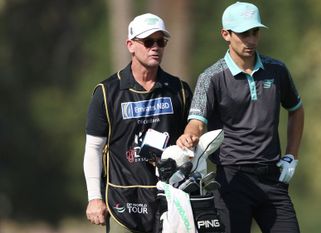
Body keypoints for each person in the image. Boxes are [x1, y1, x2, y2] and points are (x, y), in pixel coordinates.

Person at [176, 2, 304, 233]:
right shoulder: (212, 77)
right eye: (244, 34)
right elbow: (196, 123)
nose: (251, 40)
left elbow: (296, 108)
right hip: (232, 181)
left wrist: (291, 156)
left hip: (272, 179)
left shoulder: (277, 70)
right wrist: (189, 136)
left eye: (255, 32)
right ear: (226, 34)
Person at [83, 13, 192, 233]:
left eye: (160, 41)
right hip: (122, 201)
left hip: (171, 200)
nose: (155, 47)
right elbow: (93, 149)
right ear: (130, 45)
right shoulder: (107, 92)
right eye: (148, 41)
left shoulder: (179, 89)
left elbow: (192, 142)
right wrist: (94, 197)